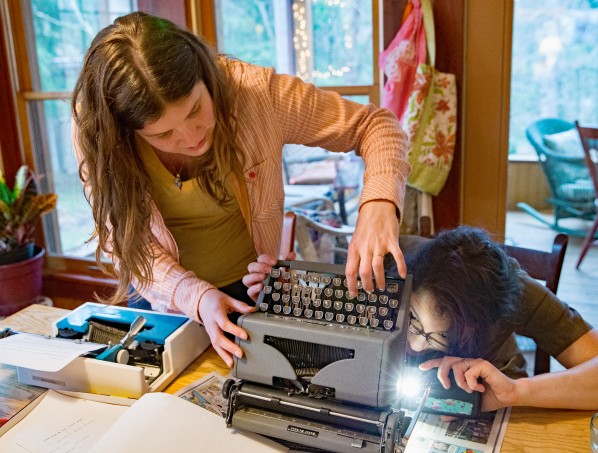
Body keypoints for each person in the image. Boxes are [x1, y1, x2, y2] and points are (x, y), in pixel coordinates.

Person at [71, 12, 410, 367]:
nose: (191, 138)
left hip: (251, 292)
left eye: (195, 110)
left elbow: (375, 126)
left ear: (205, 74)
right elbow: (125, 242)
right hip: (161, 299)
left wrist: (378, 204)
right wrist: (196, 296)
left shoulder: (257, 94)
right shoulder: (98, 131)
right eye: (162, 135)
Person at [389, 226, 598, 412]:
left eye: (445, 336)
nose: (419, 344)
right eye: (412, 317)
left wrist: (515, 392)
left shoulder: (512, 290)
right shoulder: (390, 260)